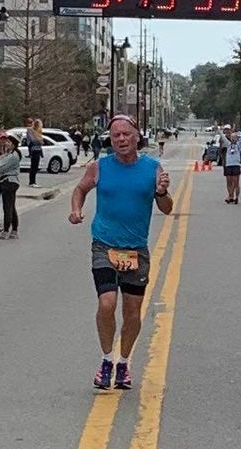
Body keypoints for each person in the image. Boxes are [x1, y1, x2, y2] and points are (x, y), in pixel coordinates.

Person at [68, 114, 172, 391]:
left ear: (137, 136)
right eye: (116, 136)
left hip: (136, 250)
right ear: (110, 139)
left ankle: (123, 362)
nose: (122, 139)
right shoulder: (100, 167)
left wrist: (162, 192)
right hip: (104, 245)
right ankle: (106, 360)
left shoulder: (152, 168)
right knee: (107, 303)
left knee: (132, 312)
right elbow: (80, 190)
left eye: (126, 134)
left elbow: (167, 208)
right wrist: (76, 209)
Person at [0, 135, 22, 239]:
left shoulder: (13, 156)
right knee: (11, 206)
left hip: (9, 181)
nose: (6, 144)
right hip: (9, 181)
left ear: (14, 144)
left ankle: (6, 230)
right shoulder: (10, 154)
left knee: (7, 206)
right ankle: (14, 230)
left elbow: (0, 168)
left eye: (9, 142)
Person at [220, 131, 241, 204]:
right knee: (229, 182)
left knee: (236, 183)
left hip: (236, 165)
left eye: (235, 138)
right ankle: (230, 196)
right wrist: (217, 129)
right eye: (232, 137)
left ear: (236, 138)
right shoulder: (228, 144)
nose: (233, 139)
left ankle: (237, 197)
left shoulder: (239, 145)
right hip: (228, 165)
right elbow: (222, 136)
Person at [27, 119, 44, 187]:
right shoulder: (30, 130)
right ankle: (32, 182)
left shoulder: (38, 131)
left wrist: (39, 140)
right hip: (33, 150)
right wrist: (39, 140)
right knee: (33, 166)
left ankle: (33, 181)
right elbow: (33, 140)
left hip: (38, 150)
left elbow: (42, 141)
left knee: (36, 166)